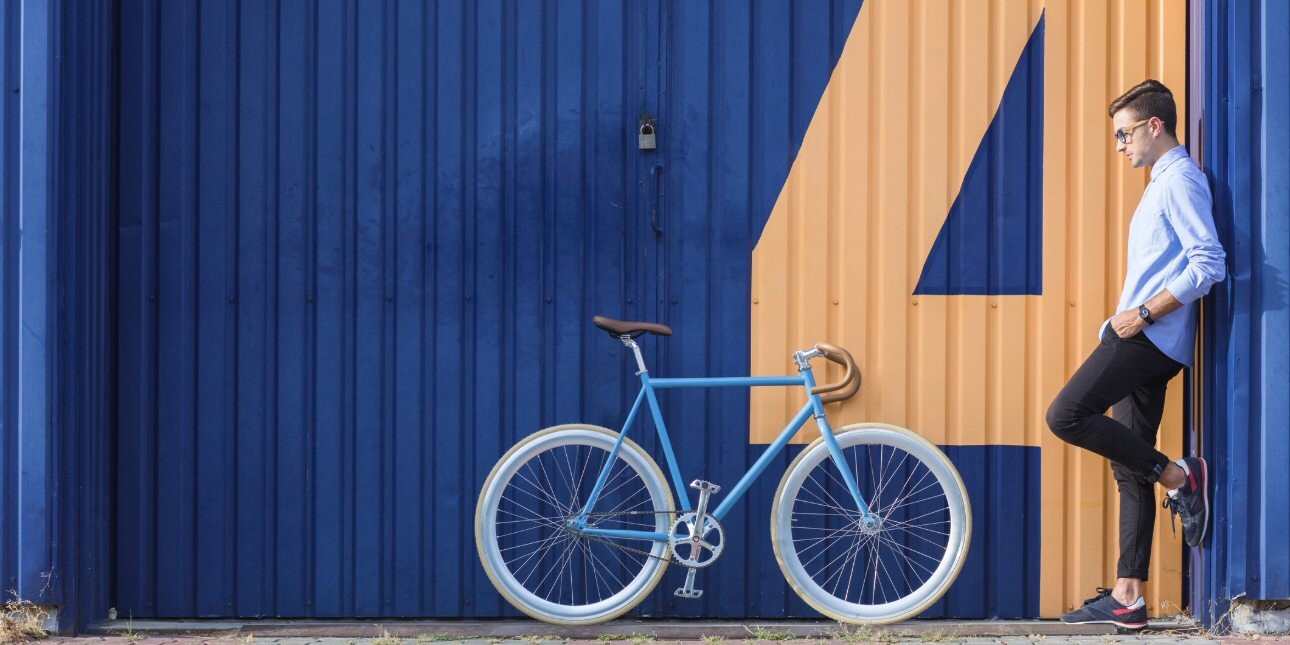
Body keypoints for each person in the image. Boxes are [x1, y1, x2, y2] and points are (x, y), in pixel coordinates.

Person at [1046, 79, 1226, 630]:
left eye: (1125, 134)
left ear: (1155, 126)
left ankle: (1179, 477)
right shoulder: (1158, 182)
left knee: (1066, 415)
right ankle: (1130, 596)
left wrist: (1142, 314)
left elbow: (1208, 264)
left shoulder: (1180, 181)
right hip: (1139, 333)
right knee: (1130, 464)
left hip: (1147, 339)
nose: (1120, 145)